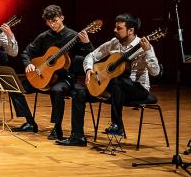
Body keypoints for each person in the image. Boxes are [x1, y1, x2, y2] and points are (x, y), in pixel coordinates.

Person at [59, 13, 160, 147]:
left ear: (131, 31)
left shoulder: (144, 46)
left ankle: (117, 124)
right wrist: (89, 69)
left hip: (136, 89)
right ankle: (77, 136)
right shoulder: (114, 43)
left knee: (117, 80)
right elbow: (91, 56)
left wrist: (148, 51)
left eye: (119, 28)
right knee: (78, 91)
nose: (114, 30)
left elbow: (155, 72)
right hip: (113, 89)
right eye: (115, 27)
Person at [12, 5, 93, 139]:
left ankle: (57, 128)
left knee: (57, 90)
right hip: (43, 75)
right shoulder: (44, 36)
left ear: (62, 18)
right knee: (15, 88)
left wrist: (87, 43)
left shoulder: (73, 36)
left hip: (64, 77)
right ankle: (30, 122)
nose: (52, 24)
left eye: (54, 20)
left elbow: (90, 55)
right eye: (49, 22)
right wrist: (28, 64)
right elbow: (26, 52)